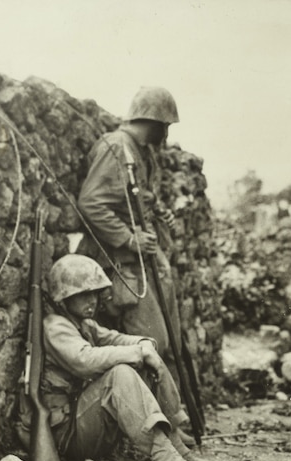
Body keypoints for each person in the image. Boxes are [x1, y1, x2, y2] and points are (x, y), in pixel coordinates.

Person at [16, 254, 214, 461]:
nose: (91, 300)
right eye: (82, 295)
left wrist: (143, 344)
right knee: (119, 375)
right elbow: (84, 360)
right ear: (64, 298)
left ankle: (177, 448)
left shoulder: (83, 324)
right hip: (66, 435)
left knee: (145, 362)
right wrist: (139, 353)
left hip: (83, 424)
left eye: (93, 293)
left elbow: (113, 338)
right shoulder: (55, 326)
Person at [77, 86, 181, 362]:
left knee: (168, 340)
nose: (167, 135)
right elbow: (91, 203)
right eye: (166, 126)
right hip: (123, 266)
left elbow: (135, 198)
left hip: (143, 264)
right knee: (152, 342)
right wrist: (129, 238)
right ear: (154, 122)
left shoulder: (139, 152)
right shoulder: (117, 147)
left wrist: (158, 211)